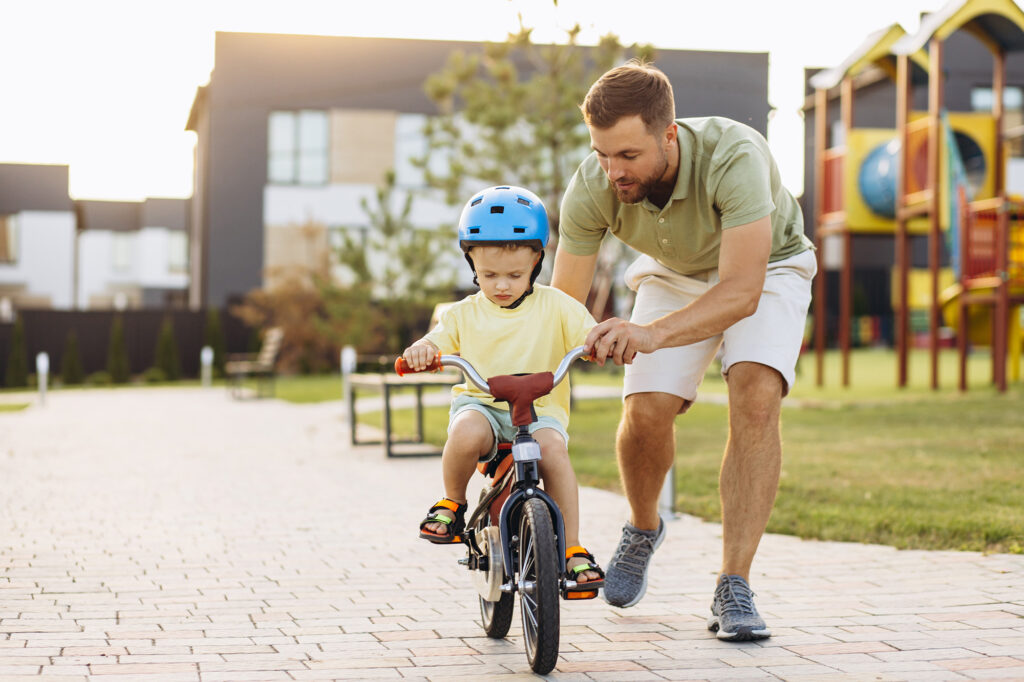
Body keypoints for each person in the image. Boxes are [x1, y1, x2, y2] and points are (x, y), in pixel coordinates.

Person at [551, 60, 816, 639]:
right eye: (601, 153)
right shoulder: (594, 185)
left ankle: (733, 584)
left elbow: (743, 291)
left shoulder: (734, 156)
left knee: (754, 393)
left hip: (767, 270)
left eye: (627, 156)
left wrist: (648, 334)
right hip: (674, 274)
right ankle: (643, 528)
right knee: (645, 410)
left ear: (668, 135)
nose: (612, 171)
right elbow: (562, 304)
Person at [402, 184, 605, 594]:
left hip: (540, 411)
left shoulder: (557, 305)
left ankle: (571, 548)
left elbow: (590, 333)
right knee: (465, 433)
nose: (501, 285)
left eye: (514, 275)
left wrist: (603, 343)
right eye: (489, 275)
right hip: (485, 407)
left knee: (554, 452)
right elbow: (436, 342)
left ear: (537, 262)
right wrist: (423, 350)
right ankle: (453, 503)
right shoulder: (463, 313)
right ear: (471, 263)